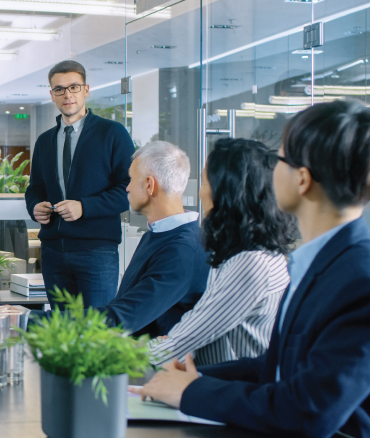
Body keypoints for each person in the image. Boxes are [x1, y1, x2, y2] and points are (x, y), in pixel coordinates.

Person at [132, 100, 370, 438]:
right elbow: (279, 366)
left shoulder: (358, 278)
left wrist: (189, 392)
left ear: (302, 180)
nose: (270, 169)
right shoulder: (319, 260)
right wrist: (198, 378)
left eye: (281, 158)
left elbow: (309, 409)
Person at [149, 138, 296, 367]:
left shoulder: (250, 264)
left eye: (205, 182)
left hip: (231, 392)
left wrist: (108, 353)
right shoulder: (245, 254)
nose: (200, 193)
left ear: (226, 193)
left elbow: (182, 342)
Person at [25, 60, 134, 309]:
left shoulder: (113, 134)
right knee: (64, 333)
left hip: (97, 253)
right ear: (52, 95)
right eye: (60, 89)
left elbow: (129, 188)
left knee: (97, 332)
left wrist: (84, 207)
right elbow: (35, 188)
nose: (67, 95)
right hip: (53, 252)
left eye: (74, 87)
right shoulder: (44, 141)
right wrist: (35, 206)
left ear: (86, 90)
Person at [99, 141, 209, 337]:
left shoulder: (182, 250)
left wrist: (29, 319)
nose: (127, 188)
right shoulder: (159, 233)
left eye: (131, 179)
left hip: (153, 364)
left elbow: (122, 319)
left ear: (150, 185)